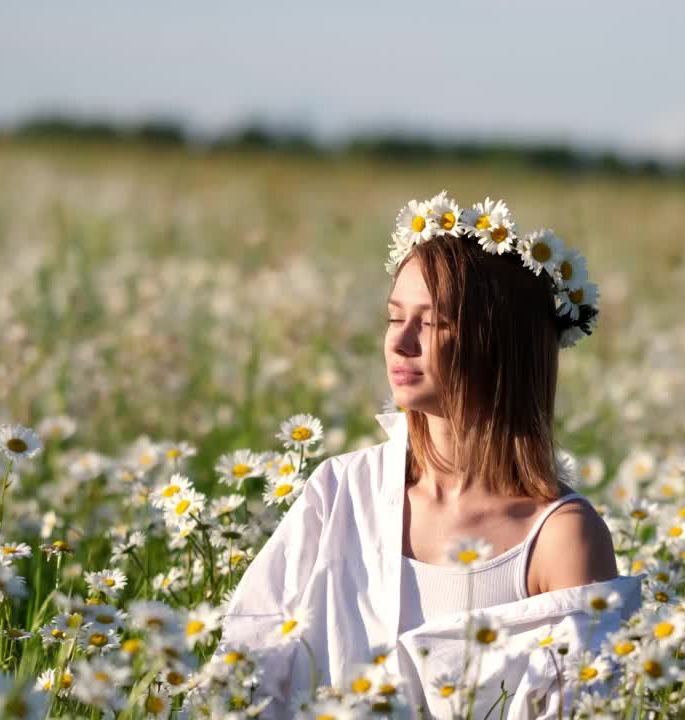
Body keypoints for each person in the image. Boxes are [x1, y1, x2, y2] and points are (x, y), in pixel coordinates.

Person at [219, 191, 645, 719]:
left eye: (435, 322)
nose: (400, 342)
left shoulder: (561, 537)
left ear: (498, 343)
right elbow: (245, 667)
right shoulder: (342, 492)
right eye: (394, 317)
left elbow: (587, 703)